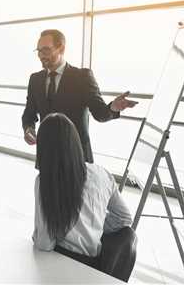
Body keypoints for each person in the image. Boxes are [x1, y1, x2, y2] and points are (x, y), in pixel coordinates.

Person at [32, 113, 137, 282]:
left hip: (60, 269)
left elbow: (44, 244)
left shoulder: (45, 181)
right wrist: (94, 224)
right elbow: (124, 219)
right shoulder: (102, 174)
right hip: (96, 268)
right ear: (75, 142)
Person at [22, 29, 137, 163]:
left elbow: (100, 113)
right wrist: (28, 129)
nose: (41, 55)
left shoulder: (82, 77)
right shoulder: (35, 79)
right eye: (39, 51)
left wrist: (113, 107)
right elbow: (29, 113)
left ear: (61, 49)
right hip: (46, 156)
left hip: (76, 157)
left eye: (46, 50)